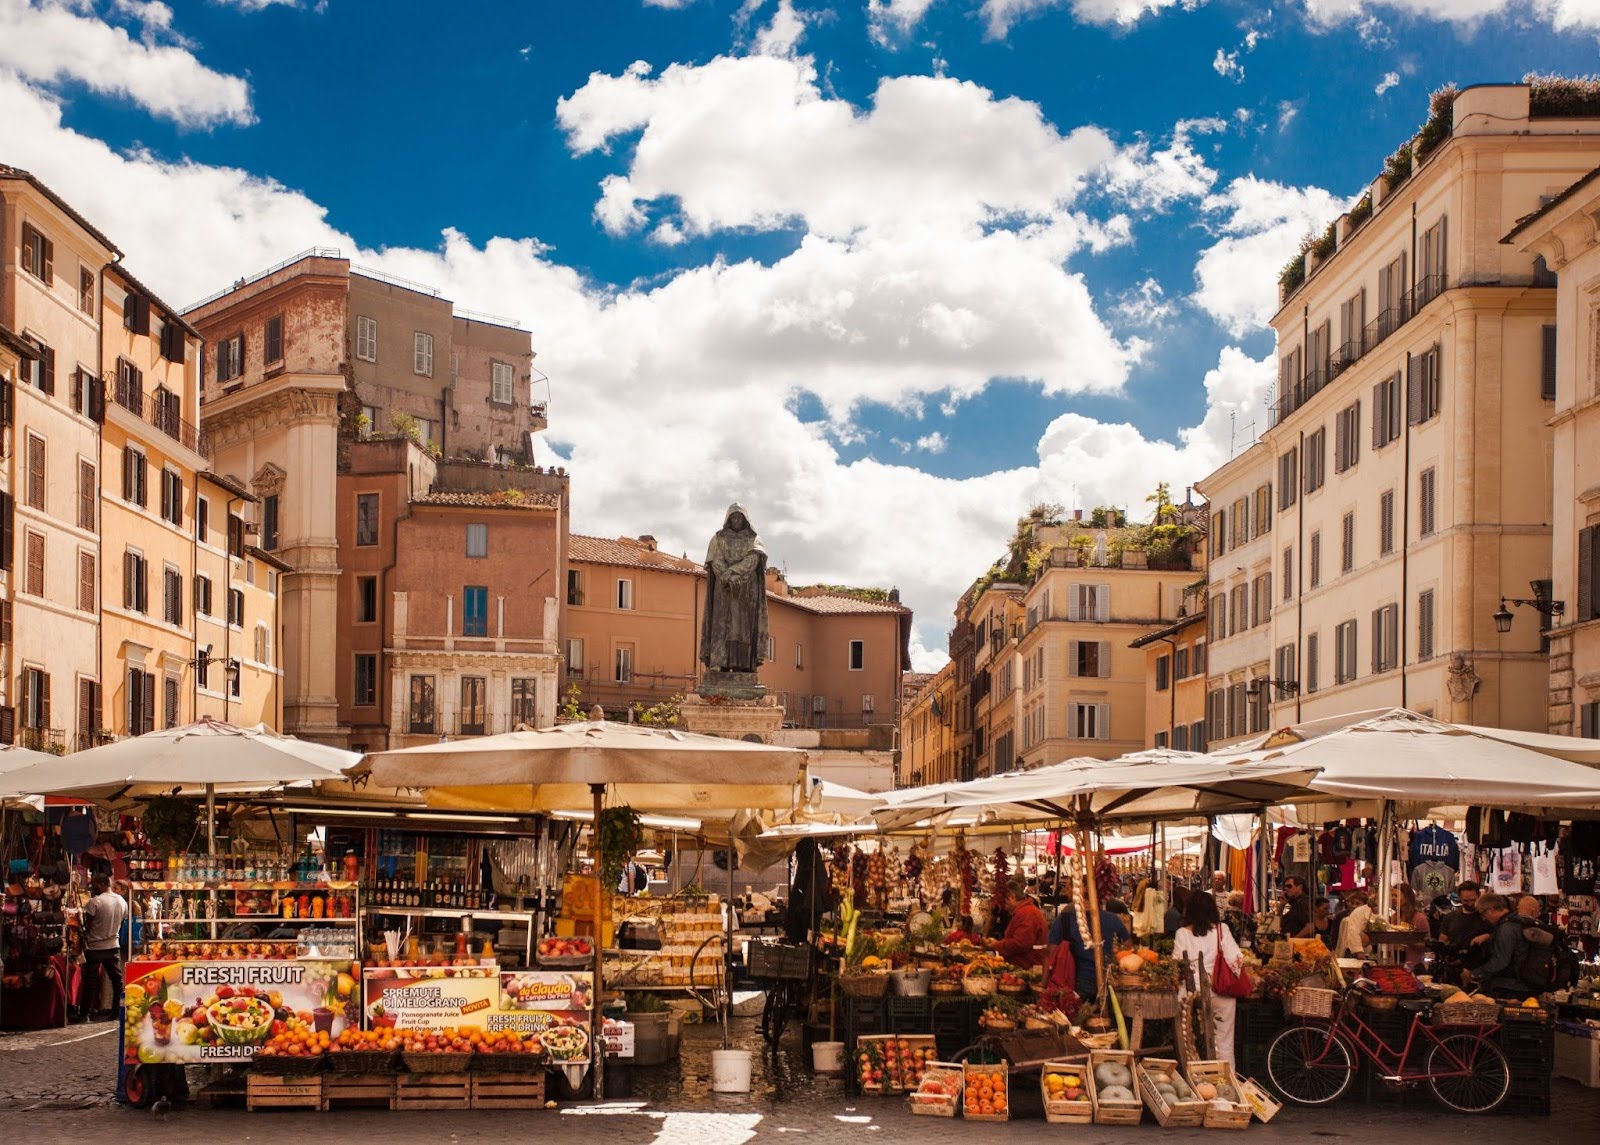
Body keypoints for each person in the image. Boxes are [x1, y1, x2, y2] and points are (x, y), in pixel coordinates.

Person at [1173, 892, 1243, 1067]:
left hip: (1190, 994)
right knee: (1224, 1040)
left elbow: (1177, 963)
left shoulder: (1182, 933)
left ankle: (1194, 1077)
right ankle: (1227, 1079)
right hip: (1221, 991)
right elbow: (1236, 959)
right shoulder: (1222, 930)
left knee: (1190, 1039)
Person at [1051, 897, 1130, 1002]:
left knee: (1080, 1014)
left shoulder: (1064, 919)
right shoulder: (1113, 919)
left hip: (1078, 981)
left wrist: (1043, 983)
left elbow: (1050, 952)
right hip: (1108, 981)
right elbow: (1129, 947)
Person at [1463, 893, 1529, 998]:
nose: (1484, 918)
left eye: (1483, 913)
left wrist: (1474, 974)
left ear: (1490, 910)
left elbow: (1500, 962)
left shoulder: (1506, 928)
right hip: (1521, 984)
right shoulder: (1515, 922)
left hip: (1511, 988)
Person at [81, 874, 128, 1021]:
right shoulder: (122, 901)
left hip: (95, 946)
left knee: (90, 981)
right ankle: (117, 1011)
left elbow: (87, 924)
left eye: (95, 885)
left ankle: (85, 1014)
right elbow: (122, 921)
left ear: (101, 885)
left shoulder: (95, 902)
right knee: (117, 980)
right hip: (113, 945)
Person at [1436, 881, 1491, 986]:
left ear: (1479, 896)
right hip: (1453, 969)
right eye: (1466, 900)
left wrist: (1486, 936)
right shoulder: (1450, 917)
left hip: (1478, 969)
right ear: (1460, 898)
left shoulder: (1486, 917)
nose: (1470, 904)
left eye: (1473, 900)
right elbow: (1442, 940)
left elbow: (1497, 937)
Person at [993, 884, 1048, 970]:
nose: (1003, 906)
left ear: (1012, 897)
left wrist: (996, 945)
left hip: (1027, 968)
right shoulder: (1025, 911)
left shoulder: (1027, 913)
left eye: (1003, 901)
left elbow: (1020, 943)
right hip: (1024, 966)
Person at [1392, 884, 1432, 969]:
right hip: (1395, 963)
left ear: (1407, 898)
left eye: (1396, 896)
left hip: (1414, 965)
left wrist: (1408, 941)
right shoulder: (1393, 918)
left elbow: (1427, 945)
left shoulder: (1420, 918)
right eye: (1392, 896)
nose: (1393, 899)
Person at [1333, 889, 1371, 958]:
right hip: (1347, 951)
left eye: (1357, 903)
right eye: (1352, 903)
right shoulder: (1343, 919)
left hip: (1365, 952)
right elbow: (1337, 938)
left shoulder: (1370, 919)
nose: (1354, 906)